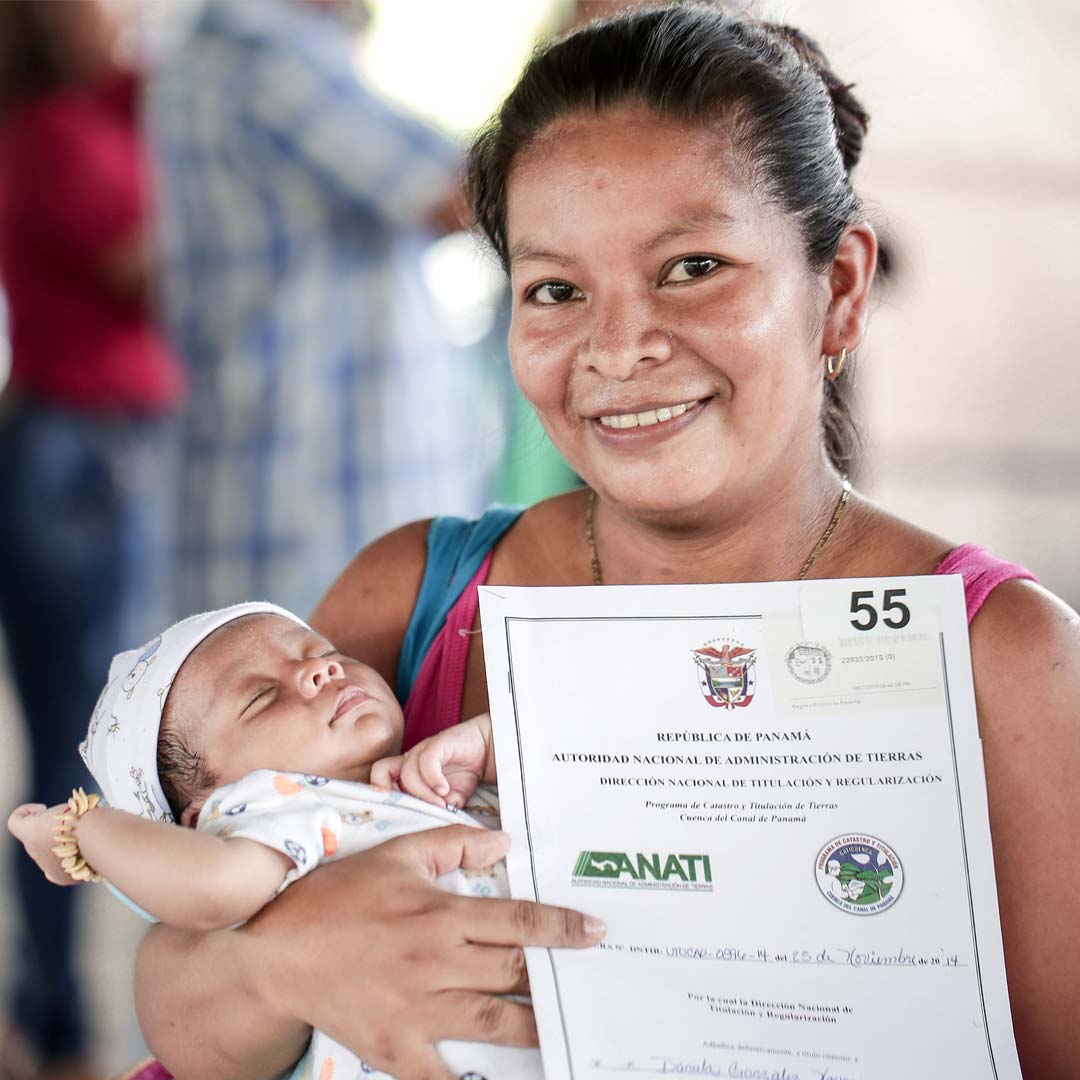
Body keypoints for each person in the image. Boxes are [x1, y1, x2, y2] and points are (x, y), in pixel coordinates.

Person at [132, 7, 1080, 1079]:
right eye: (556, 290)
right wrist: (281, 970)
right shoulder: (414, 597)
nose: (618, 346)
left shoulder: (1004, 658)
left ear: (842, 289)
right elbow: (179, 993)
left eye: (693, 267)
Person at [8, 603, 538, 1080]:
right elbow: (214, 885)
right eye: (262, 697)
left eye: (325, 652)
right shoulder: (283, 808)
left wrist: (491, 744)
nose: (320, 669)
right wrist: (83, 828)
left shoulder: (439, 779)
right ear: (210, 815)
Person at [147, 0, 497, 620]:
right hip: (319, 480)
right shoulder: (273, 58)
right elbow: (467, 194)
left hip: (256, 462)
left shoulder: (201, 52)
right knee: (364, 698)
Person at [0, 1, 184, 1073]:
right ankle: (61, 1020)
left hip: (92, 451)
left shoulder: (89, 110)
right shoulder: (49, 134)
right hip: (80, 459)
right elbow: (150, 274)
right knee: (82, 742)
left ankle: (53, 1009)